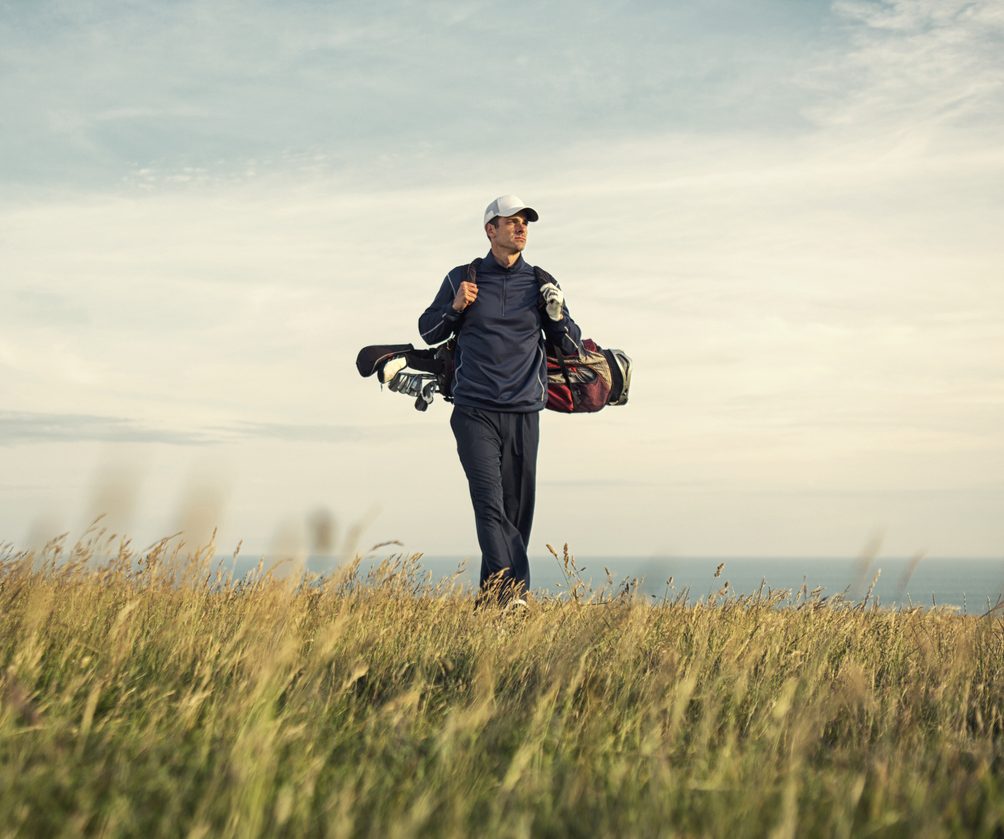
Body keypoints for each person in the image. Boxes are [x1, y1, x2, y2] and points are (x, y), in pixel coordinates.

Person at [418, 195, 582, 605]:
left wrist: (557, 316)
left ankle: (493, 608)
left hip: (525, 410)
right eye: (512, 221)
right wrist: (455, 309)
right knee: (490, 506)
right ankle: (514, 597)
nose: (521, 227)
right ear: (491, 230)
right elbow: (428, 331)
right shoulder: (463, 277)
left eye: (526, 221)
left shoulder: (541, 283)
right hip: (474, 409)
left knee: (517, 516)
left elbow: (571, 344)